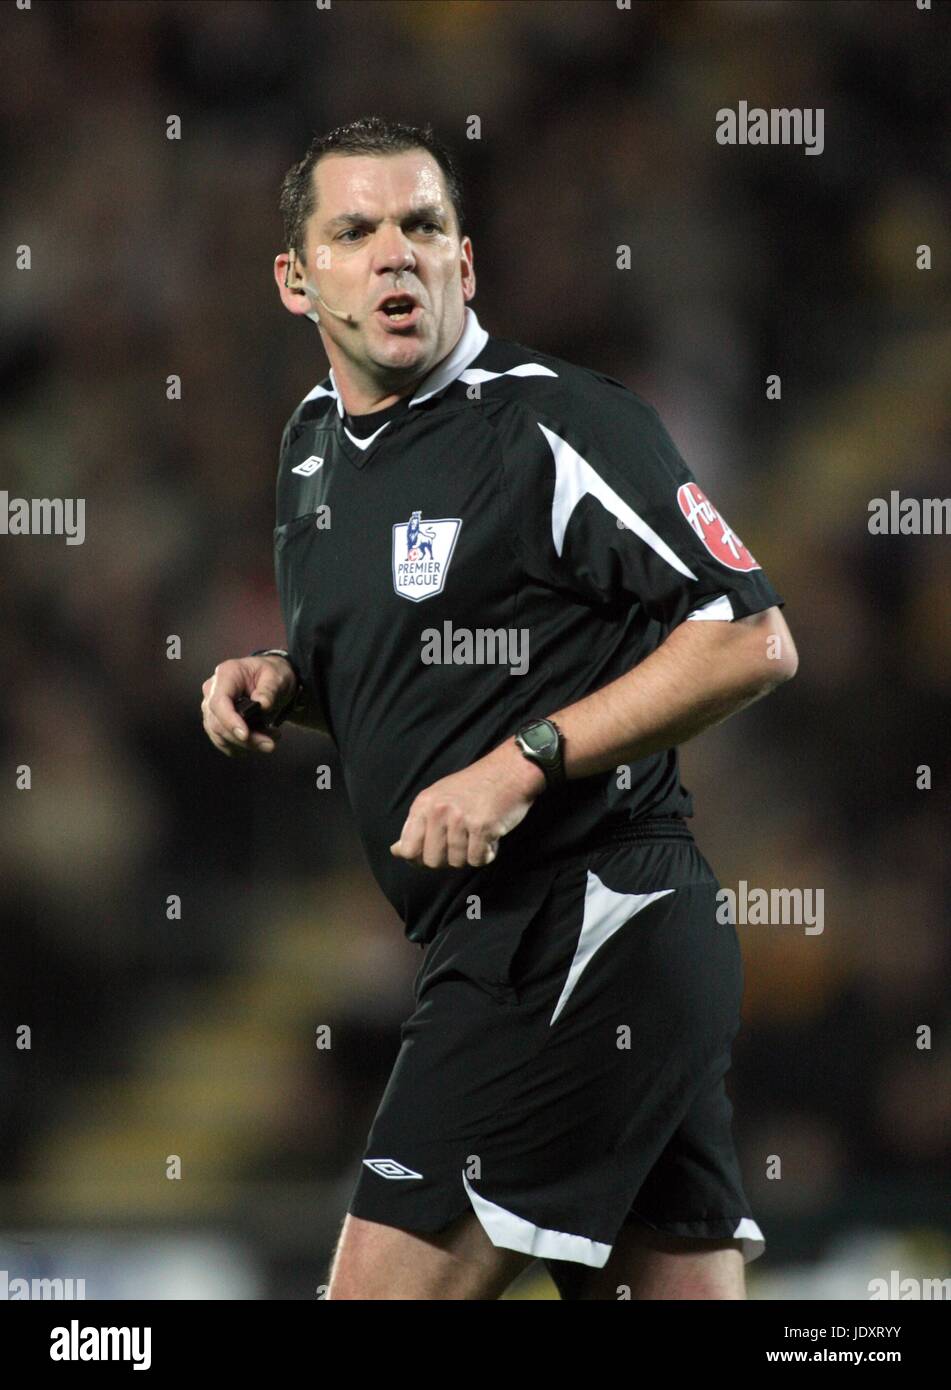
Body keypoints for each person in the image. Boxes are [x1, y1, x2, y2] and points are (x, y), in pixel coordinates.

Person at [200, 117, 798, 1300]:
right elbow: (429, 662)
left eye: (422, 227)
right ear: (294, 278)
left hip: (581, 924)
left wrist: (525, 759)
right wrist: (283, 680)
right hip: (538, 946)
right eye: (355, 231)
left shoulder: (554, 423)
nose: (394, 256)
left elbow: (751, 636)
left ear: (465, 262)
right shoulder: (315, 453)